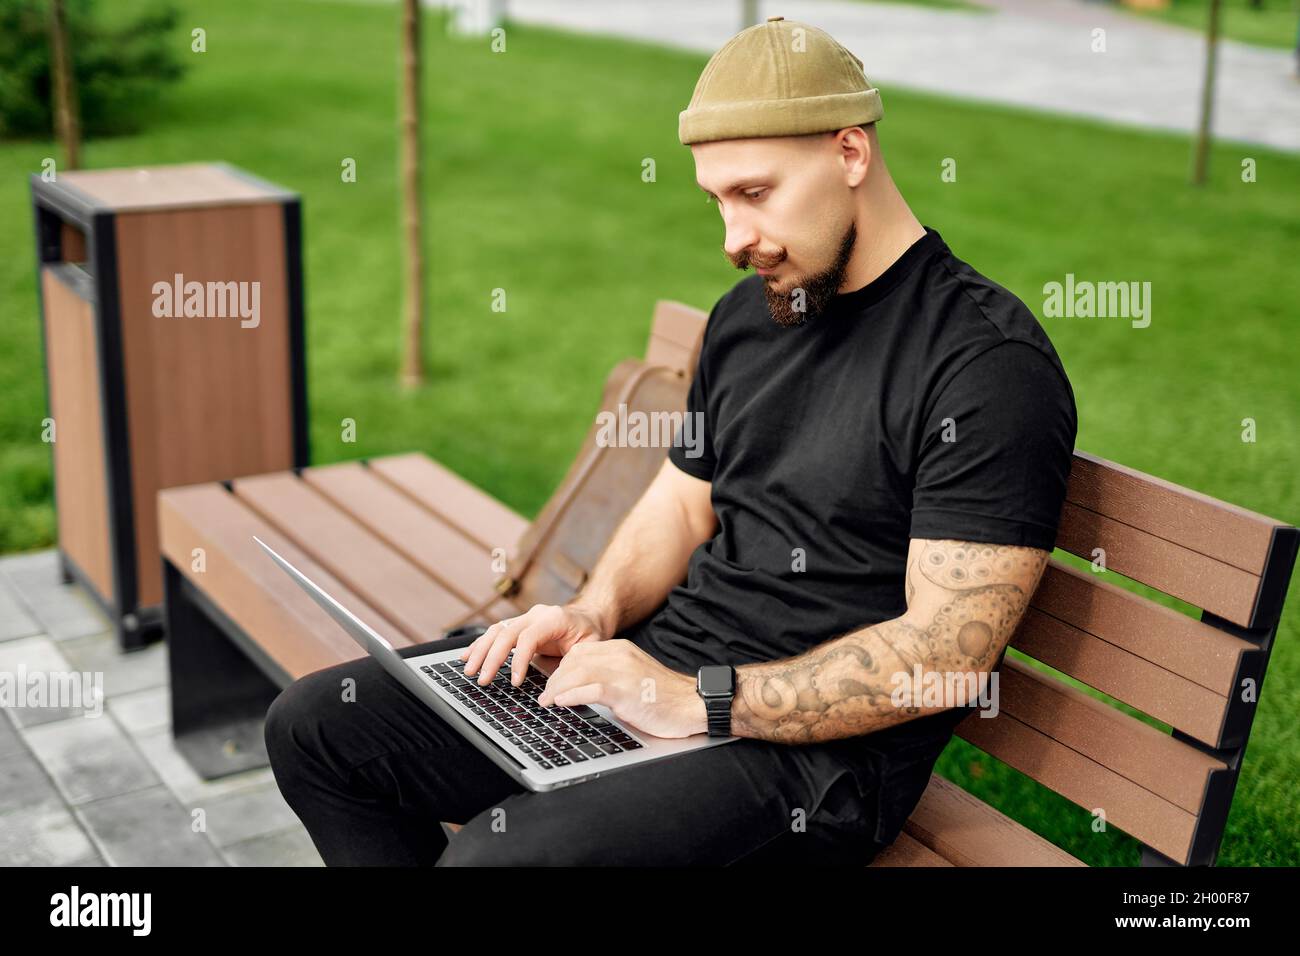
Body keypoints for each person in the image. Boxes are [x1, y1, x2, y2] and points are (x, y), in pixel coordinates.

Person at [264, 15, 1078, 866]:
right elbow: (681, 506)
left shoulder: (984, 363)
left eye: (755, 194)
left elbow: (947, 656)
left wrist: (696, 699)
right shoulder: (749, 317)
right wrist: (593, 612)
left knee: (498, 862)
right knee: (320, 727)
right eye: (717, 201)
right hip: (655, 673)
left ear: (849, 154)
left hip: (812, 766)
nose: (732, 240)